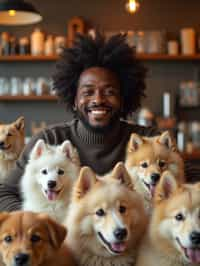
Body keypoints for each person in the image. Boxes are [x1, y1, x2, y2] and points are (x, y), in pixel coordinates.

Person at [0, 33, 197, 211]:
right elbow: (4, 193)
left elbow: (191, 178)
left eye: (109, 92)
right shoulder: (51, 139)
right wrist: (39, 222)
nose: (98, 99)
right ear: (75, 100)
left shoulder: (148, 141)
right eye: (88, 92)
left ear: (123, 98)